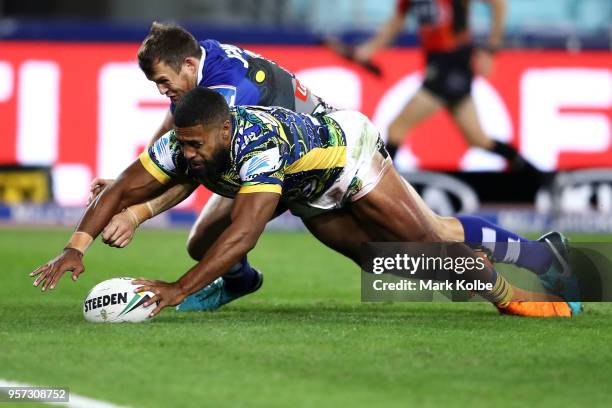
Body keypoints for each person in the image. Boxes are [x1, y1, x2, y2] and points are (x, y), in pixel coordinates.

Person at [31, 88, 580, 318]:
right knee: (388, 266)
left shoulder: (257, 148)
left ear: (224, 130)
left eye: (198, 145)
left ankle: (529, 293)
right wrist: (75, 247)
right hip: (310, 190)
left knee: (430, 244)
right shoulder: (185, 143)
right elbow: (124, 186)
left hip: (350, 157)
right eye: (184, 144)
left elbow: (244, 235)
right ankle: (536, 256)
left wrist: (177, 289)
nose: (189, 155)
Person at [89, 22, 335, 311]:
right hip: (270, 159)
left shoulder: (227, 90)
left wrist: (136, 211)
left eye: (163, 81)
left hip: (319, 164)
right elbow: (171, 135)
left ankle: (401, 292)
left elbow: (196, 168)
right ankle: (240, 281)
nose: (160, 90)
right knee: (202, 243)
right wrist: (126, 183)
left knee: (378, 255)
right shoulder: (199, 64)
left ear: (188, 66)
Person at [353, 0, 538, 173]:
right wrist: (370, 48)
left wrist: (491, 50)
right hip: (437, 62)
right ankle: (532, 173)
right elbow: (397, 21)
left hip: (453, 61)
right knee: (479, 140)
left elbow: (498, 4)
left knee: (396, 128)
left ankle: (382, 189)